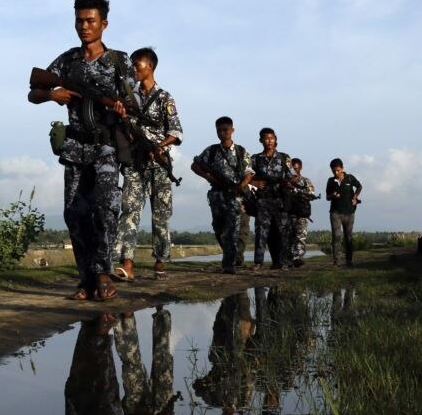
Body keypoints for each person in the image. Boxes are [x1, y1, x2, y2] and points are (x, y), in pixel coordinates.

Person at [28, 0, 132, 300]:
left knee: (105, 210)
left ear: (104, 24)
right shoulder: (67, 60)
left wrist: (122, 108)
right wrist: (52, 95)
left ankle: (102, 273)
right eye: (79, 20)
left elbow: (132, 100)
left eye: (90, 21)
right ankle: (86, 280)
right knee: (74, 214)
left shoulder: (118, 61)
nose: (84, 27)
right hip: (75, 147)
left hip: (106, 149)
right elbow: (33, 92)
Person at [113, 47, 183, 282]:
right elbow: (120, 125)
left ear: (150, 67)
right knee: (129, 210)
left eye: (138, 65)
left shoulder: (165, 98)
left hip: (159, 164)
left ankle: (160, 260)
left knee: (160, 215)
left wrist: (159, 147)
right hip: (134, 161)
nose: (134, 69)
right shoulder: (127, 97)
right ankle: (127, 263)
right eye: (132, 65)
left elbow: (176, 131)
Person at [191, 117, 253, 274]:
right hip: (217, 195)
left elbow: (249, 173)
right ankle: (231, 257)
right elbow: (195, 166)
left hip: (235, 195)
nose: (222, 132)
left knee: (234, 229)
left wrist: (240, 186)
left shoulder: (241, 151)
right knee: (218, 228)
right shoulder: (211, 151)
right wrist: (208, 177)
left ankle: (230, 263)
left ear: (232, 130)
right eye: (219, 130)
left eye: (225, 129)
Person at [249, 128, 292, 270]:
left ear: (275, 139)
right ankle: (258, 262)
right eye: (266, 138)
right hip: (263, 199)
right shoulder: (255, 159)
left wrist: (287, 182)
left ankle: (285, 262)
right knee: (261, 231)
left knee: (283, 232)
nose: (269, 141)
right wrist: (254, 183)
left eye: (271, 138)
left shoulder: (284, 157)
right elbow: (246, 176)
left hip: (280, 199)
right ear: (261, 140)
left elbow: (293, 176)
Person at [326, 157, 362, 267]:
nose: (336, 173)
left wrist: (355, 197)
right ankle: (337, 262)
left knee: (348, 237)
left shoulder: (350, 178)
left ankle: (349, 261)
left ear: (342, 168)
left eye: (338, 170)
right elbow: (327, 197)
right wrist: (333, 195)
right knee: (336, 236)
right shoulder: (331, 181)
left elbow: (359, 186)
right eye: (333, 171)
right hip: (335, 213)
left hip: (349, 212)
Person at [286, 157, 317, 267]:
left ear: (301, 168)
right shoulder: (285, 181)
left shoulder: (306, 181)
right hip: (289, 212)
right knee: (288, 236)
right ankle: (289, 259)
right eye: (292, 169)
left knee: (301, 236)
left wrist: (304, 196)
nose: (295, 171)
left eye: (297, 169)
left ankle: (298, 258)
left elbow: (312, 193)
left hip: (302, 212)